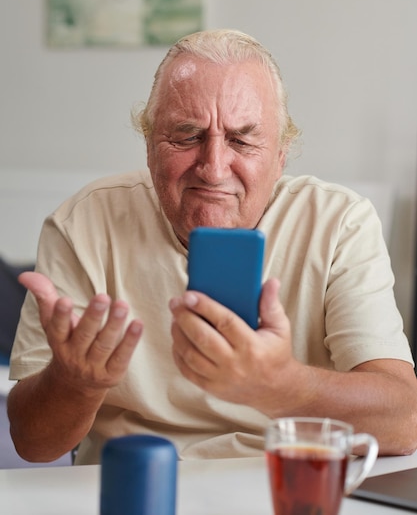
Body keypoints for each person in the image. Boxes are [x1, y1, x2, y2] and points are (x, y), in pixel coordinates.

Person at [7, 29, 417, 465]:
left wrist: (281, 383)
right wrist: (77, 384)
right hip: (137, 489)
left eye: (242, 140)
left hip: (284, 489)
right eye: (187, 136)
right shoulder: (82, 223)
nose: (214, 167)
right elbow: (34, 444)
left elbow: (404, 422)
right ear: (149, 146)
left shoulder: (340, 223)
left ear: (281, 155)